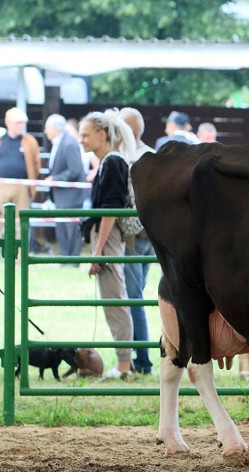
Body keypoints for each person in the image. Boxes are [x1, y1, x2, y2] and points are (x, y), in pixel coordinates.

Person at [78, 109, 137, 379]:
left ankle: (124, 365)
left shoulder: (112, 162)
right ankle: (125, 362)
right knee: (112, 298)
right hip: (106, 236)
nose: (81, 139)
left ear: (102, 134)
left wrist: (98, 251)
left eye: (85, 134)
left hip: (109, 236)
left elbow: (110, 210)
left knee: (115, 298)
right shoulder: (106, 162)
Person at [118, 107, 155, 375]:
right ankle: (138, 358)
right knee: (136, 295)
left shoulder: (130, 157)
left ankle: (142, 360)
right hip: (149, 235)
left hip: (134, 235)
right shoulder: (150, 153)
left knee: (134, 298)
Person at [43, 113, 86, 263]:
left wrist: (55, 179)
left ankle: (73, 261)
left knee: (71, 229)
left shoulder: (68, 143)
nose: (45, 131)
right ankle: (65, 259)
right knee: (62, 229)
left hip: (71, 196)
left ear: (55, 128)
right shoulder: (60, 143)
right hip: (61, 196)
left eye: (47, 127)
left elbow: (74, 170)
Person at [0, 107, 40, 238]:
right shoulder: (1, 139)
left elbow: (36, 164)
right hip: (1, 186)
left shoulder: (30, 141)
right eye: (18, 122)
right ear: (8, 122)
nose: (21, 125)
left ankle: (19, 256)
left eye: (23, 122)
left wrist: (31, 183)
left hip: (22, 187)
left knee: (21, 221)